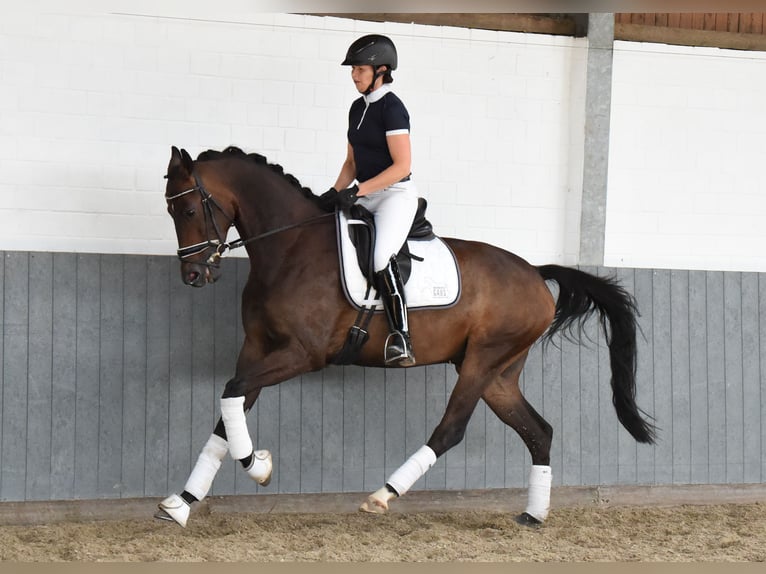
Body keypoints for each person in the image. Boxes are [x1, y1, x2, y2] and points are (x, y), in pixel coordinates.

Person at [319, 34, 418, 367]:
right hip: (365, 193)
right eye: (353, 69)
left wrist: (357, 191)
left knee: (379, 259)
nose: (354, 75)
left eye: (360, 69)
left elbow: (402, 166)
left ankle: (401, 337)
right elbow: (351, 163)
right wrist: (334, 193)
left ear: (381, 70)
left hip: (394, 196)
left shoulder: (393, 108)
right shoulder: (356, 108)